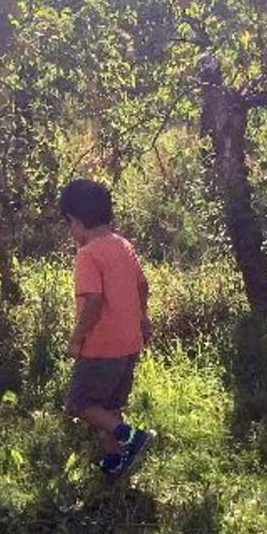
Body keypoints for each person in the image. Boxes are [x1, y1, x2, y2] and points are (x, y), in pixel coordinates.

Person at [60, 179, 156, 482]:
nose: (70, 233)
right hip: (129, 343)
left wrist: (76, 338)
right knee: (109, 406)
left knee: (80, 403)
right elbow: (143, 285)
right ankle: (115, 460)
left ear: (75, 220)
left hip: (101, 346)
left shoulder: (88, 254)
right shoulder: (122, 244)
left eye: (68, 225)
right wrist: (143, 318)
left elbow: (93, 300)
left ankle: (131, 437)